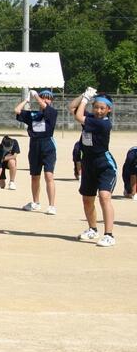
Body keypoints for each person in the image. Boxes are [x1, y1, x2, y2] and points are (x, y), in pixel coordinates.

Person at [70, 88, 117, 247]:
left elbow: (78, 116)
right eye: (96, 107)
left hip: (104, 164)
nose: (98, 110)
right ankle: (92, 229)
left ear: (108, 109)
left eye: (102, 108)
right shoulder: (91, 117)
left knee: (104, 196)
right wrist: (84, 95)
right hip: (88, 163)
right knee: (87, 199)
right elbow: (72, 107)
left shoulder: (103, 123)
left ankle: (109, 235)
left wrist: (86, 100)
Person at [15, 89, 59, 214]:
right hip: (34, 145)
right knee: (35, 176)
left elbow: (44, 106)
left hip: (48, 145)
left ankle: (52, 205)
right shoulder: (33, 114)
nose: (45, 100)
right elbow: (17, 110)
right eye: (43, 97)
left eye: (48, 98)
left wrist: (36, 96)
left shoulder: (52, 112)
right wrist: (26, 100)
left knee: (49, 175)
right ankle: (35, 202)